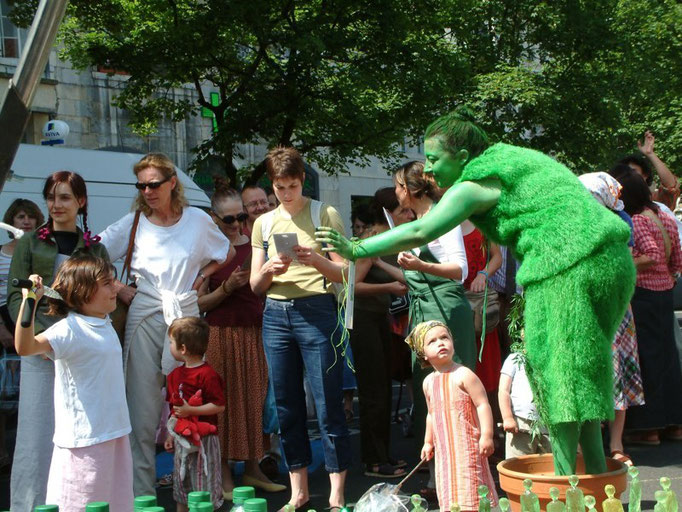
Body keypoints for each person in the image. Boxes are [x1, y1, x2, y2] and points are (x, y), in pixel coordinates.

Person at [317, 106, 635, 475]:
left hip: (568, 266)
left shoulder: (476, 182)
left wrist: (356, 249)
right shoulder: (515, 159)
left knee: (560, 382)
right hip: (610, 263)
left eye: (434, 159)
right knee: (580, 378)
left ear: (464, 158)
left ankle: (568, 490)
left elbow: (422, 231)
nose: (429, 169)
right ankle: (596, 478)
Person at [99, 152, 233, 496]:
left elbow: (226, 253)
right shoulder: (133, 222)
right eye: (141, 185)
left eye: (154, 184)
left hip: (185, 315)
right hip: (145, 310)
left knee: (190, 409)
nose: (147, 191)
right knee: (142, 412)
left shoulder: (197, 220)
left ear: (172, 183)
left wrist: (202, 278)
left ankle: (192, 492)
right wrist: (119, 287)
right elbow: (92, 253)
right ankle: (142, 496)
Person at [250, 146, 349, 511]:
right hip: (276, 313)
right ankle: (299, 491)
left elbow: (346, 272)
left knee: (327, 402)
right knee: (287, 404)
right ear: (272, 185)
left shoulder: (324, 212)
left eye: (292, 186)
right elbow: (254, 286)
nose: (287, 194)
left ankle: (337, 493)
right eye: (279, 188)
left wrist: (318, 260)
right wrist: (269, 270)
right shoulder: (263, 222)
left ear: (302, 180)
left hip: (318, 308)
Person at [8, 172, 110, 511]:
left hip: (82, 353)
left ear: (80, 201)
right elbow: (14, 296)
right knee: (35, 436)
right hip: (39, 350)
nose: (56, 204)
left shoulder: (95, 247)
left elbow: (104, 301)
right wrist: (40, 338)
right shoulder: (29, 243)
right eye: (51, 197)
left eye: (65, 197)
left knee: (81, 434)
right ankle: (28, 506)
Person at [14, 255, 132, 511]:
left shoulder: (105, 321)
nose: (116, 288)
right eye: (107, 283)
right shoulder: (68, 330)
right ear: (84, 291)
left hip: (116, 432)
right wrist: (29, 300)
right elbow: (25, 347)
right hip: (84, 443)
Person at [198, 178, 285, 498]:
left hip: (255, 332)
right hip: (220, 335)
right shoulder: (209, 253)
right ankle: (223, 474)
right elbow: (199, 303)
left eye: (242, 218)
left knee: (253, 402)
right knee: (223, 404)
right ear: (215, 219)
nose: (237, 224)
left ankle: (252, 467)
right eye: (229, 219)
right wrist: (227, 288)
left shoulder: (256, 246)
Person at [609, 167, 682, 445]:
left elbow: (650, 255)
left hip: (642, 295)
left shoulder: (637, 220)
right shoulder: (664, 214)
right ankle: (674, 424)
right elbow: (676, 257)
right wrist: (670, 276)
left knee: (647, 361)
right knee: (669, 359)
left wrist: (622, 264)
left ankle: (649, 428)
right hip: (665, 293)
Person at [579, 171, 644, 465]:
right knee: (586, 373)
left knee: (617, 373)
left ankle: (616, 444)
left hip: (615, 308)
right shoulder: (573, 224)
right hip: (583, 307)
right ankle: (584, 445)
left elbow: (625, 268)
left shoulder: (622, 222)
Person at [408, 320, 497, 512]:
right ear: (422, 353)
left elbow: (483, 404)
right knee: (449, 486)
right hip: (444, 451)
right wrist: (428, 442)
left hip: (467, 447)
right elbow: (431, 414)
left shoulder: (464, 374)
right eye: (432, 341)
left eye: (444, 337)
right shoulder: (428, 382)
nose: (440, 343)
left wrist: (487, 435)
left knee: (471, 486)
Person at [350, 191, 408, 478]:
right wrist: (387, 289)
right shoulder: (371, 242)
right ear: (389, 212)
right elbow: (352, 287)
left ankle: (383, 454)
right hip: (363, 320)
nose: (408, 214)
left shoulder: (393, 239)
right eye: (403, 210)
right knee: (373, 391)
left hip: (381, 319)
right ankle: (373, 460)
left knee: (384, 389)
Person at [164, 317, 225, 512]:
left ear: (183, 349)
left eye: (171, 343)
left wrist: (192, 410)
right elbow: (174, 410)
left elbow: (219, 405)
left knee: (205, 482)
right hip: (182, 437)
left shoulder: (207, 374)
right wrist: (169, 434)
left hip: (205, 440)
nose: (169, 347)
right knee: (182, 484)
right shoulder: (174, 375)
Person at [0, 199, 43, 469]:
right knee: (3, 394)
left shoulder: (40, 252)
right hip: (4, 322)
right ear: (11, 222)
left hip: (32, 321)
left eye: (30, 217)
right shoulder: (2, 253)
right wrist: (3, 329)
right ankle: (3, 451)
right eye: (20, 217)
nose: (25, 221)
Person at [498, 352, 551, 458]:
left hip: (549, 427)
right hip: (521, 425)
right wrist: (507, 417)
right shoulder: (515, 358)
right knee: (517, 466)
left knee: (548, 467)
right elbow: (503, 390)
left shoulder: (551, 356)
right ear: (522, 334)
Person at [619, 130, 679, 211]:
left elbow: (671, 187)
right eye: (624, 171)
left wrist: (650, 154)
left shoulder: (655, 203)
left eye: (633, 171)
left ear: (645, 176)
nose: (628, 175)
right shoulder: (613, 201)